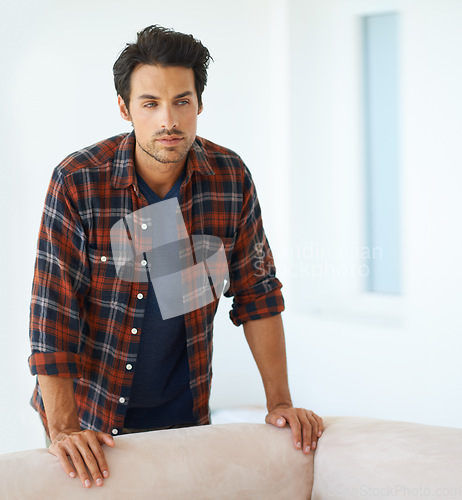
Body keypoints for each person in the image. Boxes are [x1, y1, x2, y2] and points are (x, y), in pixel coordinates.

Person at [28, 24, 323, 489]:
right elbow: (53, 314)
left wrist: (280, 403)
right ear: (125, 108)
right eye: (150, 103)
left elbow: (257, 294)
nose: (170, 119)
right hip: (90, 422)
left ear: (199, 103)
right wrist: (63, 428)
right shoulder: (79, 181)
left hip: (184, 418)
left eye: (182, 101)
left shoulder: (230, 178)